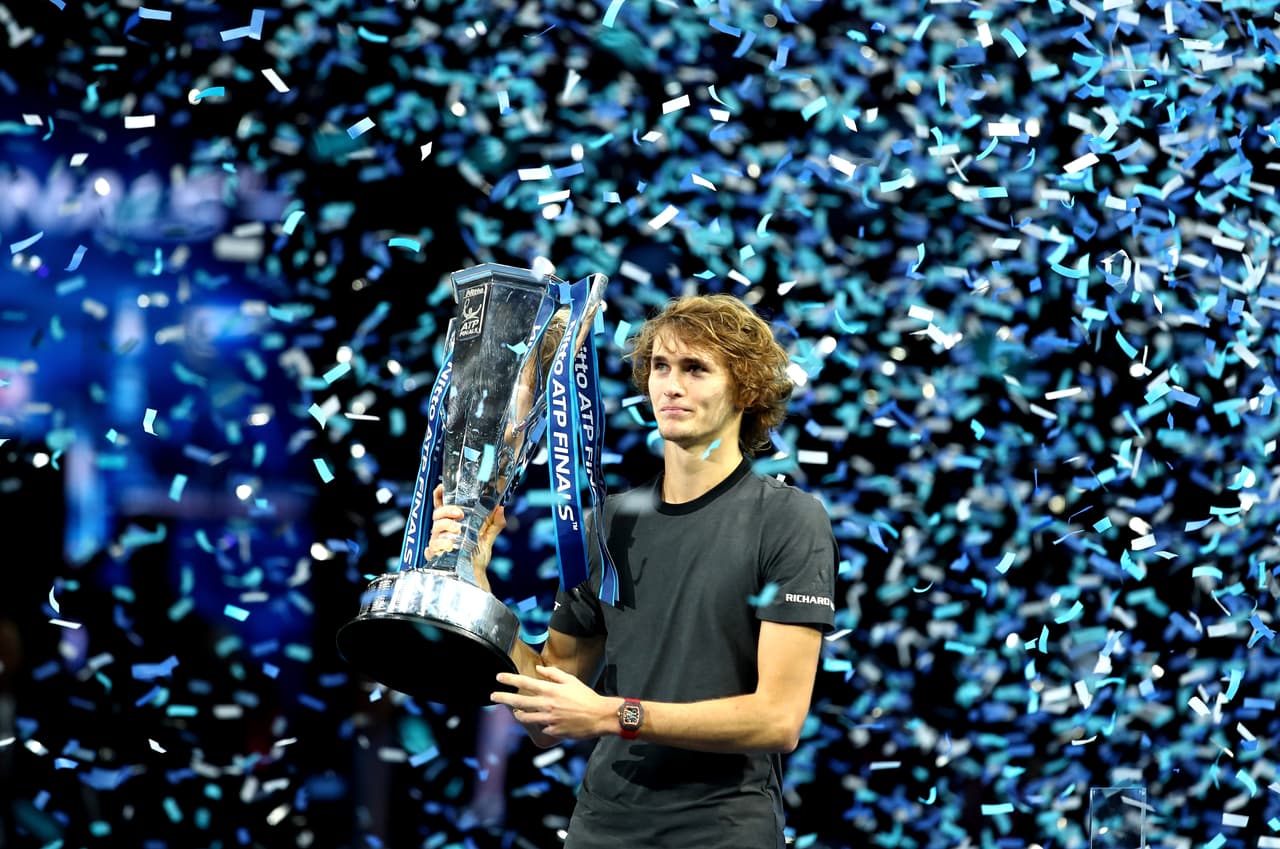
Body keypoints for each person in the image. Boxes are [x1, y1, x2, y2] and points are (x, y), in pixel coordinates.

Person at [427, 292, 839, 848]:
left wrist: (612, 715)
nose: (670, 385)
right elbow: (546, 711)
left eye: (695, 369)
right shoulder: (607, 523)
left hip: (720, 832)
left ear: (747, 388)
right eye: (660, 367)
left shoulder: (788, 518)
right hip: (601, 830)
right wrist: (475, 577)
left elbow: (777, 721)